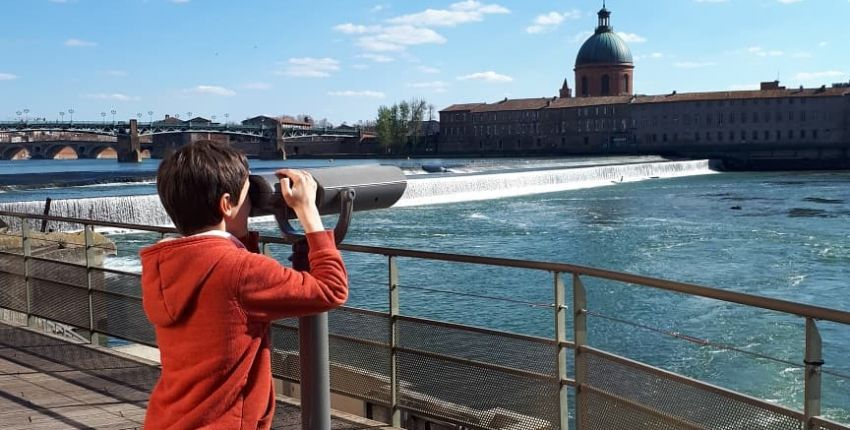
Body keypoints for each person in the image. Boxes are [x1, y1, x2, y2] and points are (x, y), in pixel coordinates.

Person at [140, 140, 348, 429]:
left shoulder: (165, 264)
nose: (253, 205)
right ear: (226, 204)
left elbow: (226, 283)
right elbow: (332, 289)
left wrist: (241, 236)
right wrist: (308, 212)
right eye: (248, 196)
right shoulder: (241, 271)